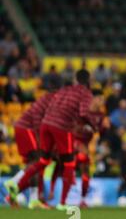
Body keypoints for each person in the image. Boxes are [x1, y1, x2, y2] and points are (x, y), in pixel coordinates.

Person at [5, 70, 96, 211]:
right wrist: (92, 125)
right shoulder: (85, 93)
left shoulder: (64, 91)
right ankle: (62, 204)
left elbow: (54, 109)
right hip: (60, 126)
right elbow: (84, 113)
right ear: (88, 80)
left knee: (43, 161)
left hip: (46, 124)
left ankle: (16, 186)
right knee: (70, 163)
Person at [3, 77, 61, 209]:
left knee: (35, 165)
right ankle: (13, 182)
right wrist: (41, 141)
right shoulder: (51, 100)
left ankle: (33, 200)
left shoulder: (48, 99)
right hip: (27, 129)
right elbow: (37, 120)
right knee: (37, 161)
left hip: (24, 128)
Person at [49, 90, 106, 208]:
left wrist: (101, 128)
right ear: (93, 99)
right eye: (100, 99)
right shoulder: (81, 112)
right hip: (72, 142)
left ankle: (83, 199)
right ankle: (53, 192)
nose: (101, 102)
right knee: (61, 163)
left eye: (103, 100)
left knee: (85, 169)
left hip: (84, 145)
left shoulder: (100, 116)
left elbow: (99, 131)